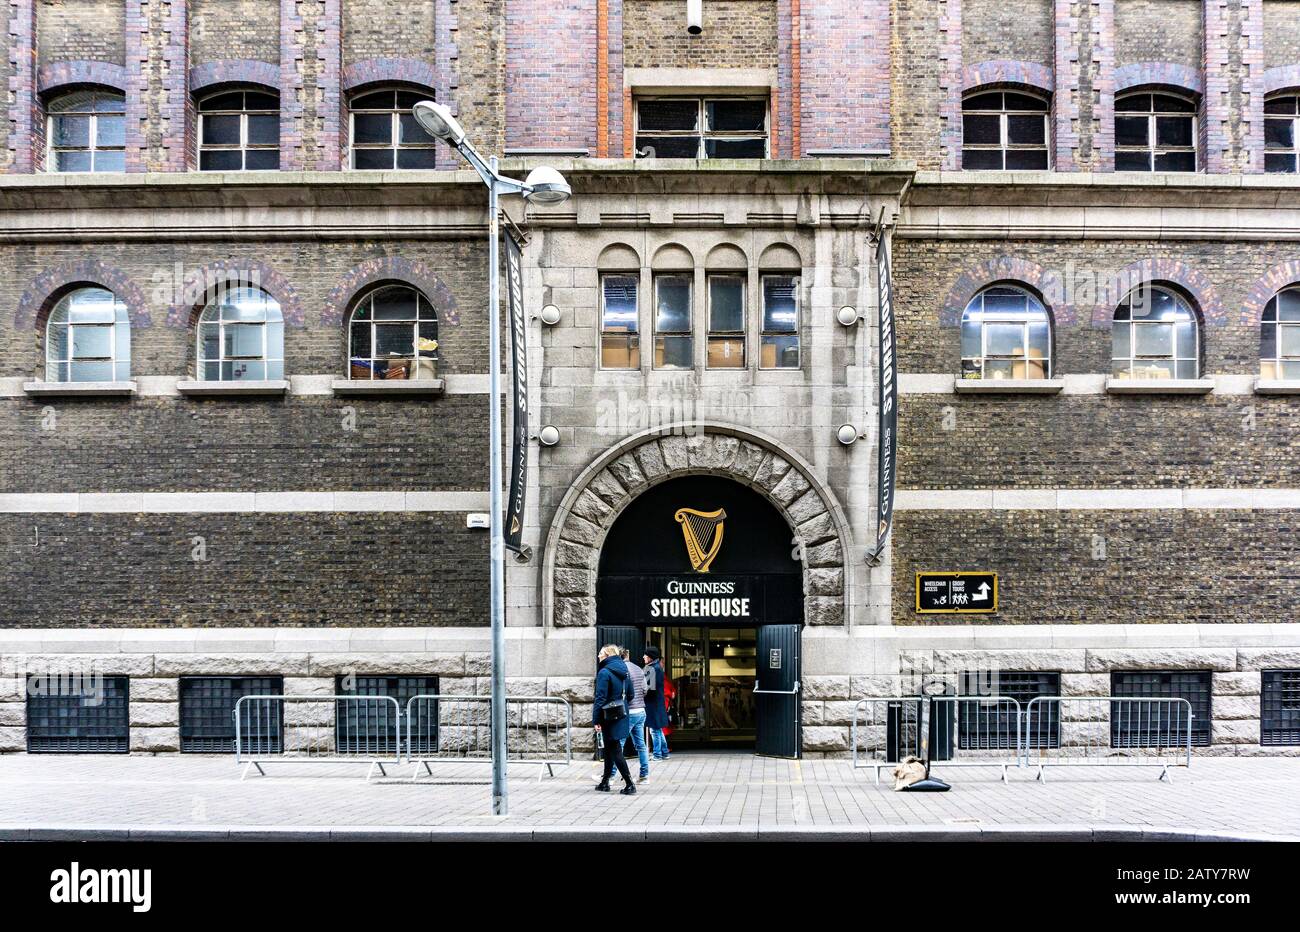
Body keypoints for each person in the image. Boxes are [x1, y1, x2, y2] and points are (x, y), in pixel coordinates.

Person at [593, 644, 636, 795]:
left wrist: (596, 720)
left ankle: (630, 783)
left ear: (607, 655)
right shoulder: (625, 671)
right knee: (610, 748)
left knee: (615, 749)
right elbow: (631, 694)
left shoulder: (604, 672)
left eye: (600, 653)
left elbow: (600, 698)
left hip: (607, 716)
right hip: (621, 713)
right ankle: (605, 781)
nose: (598, 656)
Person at [620, 648, 650, 782]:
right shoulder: (638, 668)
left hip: (629, 711)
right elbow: (645, 689)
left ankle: (611, 775)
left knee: (618, 744)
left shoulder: (621, 669)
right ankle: (644, 776)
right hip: (641, 710)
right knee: (641, 745)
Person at [642, 645, 671, 761]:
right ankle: (664, 752)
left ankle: (657, 755)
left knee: (654, 730)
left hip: (651, 704)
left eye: (646, 655)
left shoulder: (650, 669)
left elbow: (648, 689)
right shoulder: (658, 667)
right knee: (658, 729)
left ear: (650, 657)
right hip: (657, 703)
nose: (643, 657)